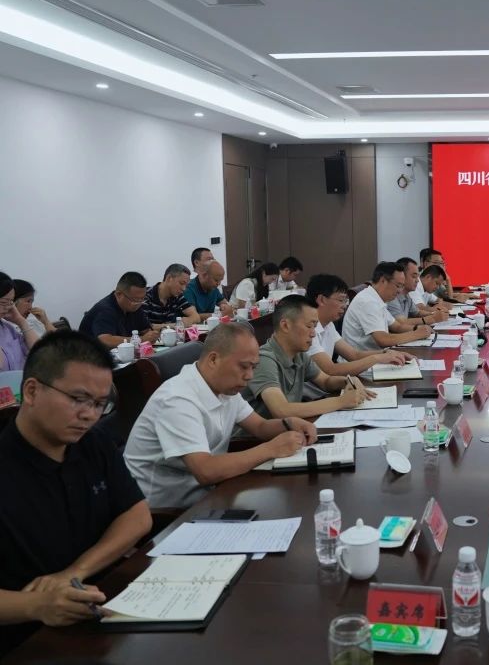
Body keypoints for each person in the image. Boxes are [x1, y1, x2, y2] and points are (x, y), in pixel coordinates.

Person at [0, 331, 151, 654]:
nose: (89, 415)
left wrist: (73, 573)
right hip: (23, 639)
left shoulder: (93, 444)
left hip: (101, 614)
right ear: (32, 391)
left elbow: (137, 515)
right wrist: (37, 605)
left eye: (99, 404)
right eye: (78, 399)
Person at [124, 322, 318, 509]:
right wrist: (271, 449)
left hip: (210, 495)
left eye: (254, 367)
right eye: (244, 366)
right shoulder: (177, 399)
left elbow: (259, 427)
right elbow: (206, 471)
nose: (250, 376)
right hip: (166, 513)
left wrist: (289, 423)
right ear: (213, 360)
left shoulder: (224, 387)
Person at [243, 295, 373, 419]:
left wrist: (348, 381)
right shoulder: (264, 360)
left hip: (289, 428)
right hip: (260, 434)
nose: (313, 334)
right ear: (285, 325)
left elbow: (325, 381)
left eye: (315, 327)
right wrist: (341, 401)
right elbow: (281, 410)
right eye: (309, 326)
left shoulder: (299, 355)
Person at [306, 273, 413, 377]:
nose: (345, 305)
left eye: (345, 300)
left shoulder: (328, 325)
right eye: (341, 300)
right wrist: (377, 358)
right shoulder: (307, 329)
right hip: (323, 387)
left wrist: (386, 352)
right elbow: (331, 370)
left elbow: (354, 355)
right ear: (322, 300)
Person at [343, 262, 434, 350]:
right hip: (363, 358)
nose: (399, 291)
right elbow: (383, 339)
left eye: (402, 286)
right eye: (398, 286)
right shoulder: (368, 301)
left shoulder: (377, 298)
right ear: (383, 281)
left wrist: (417, 328)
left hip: (376, 354)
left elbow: (397, 326)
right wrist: (416, 334)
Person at [78, 272, 155, 347]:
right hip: (90, 352)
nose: (139, 303)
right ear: (119, 294)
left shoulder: (135, 307)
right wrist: (140, 339)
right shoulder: (105, 310)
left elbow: (145, 330)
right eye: (135, 300)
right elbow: (105, 340)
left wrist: (151, 336)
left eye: (142, 299)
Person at [388, 258, 448, 327]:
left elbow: (417, 312)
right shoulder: (392, 296)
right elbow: (400, 322)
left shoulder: (406, 295)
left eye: (417, 277)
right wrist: (432, 318)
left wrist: (434, 314)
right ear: (401, 275)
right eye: (414, 276)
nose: (417, 280)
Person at [0, 275, 39, 371]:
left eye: (11, 302)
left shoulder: (7, 328)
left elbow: (40, 351)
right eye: (4, 302)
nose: (8, 307)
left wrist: (21, 321)